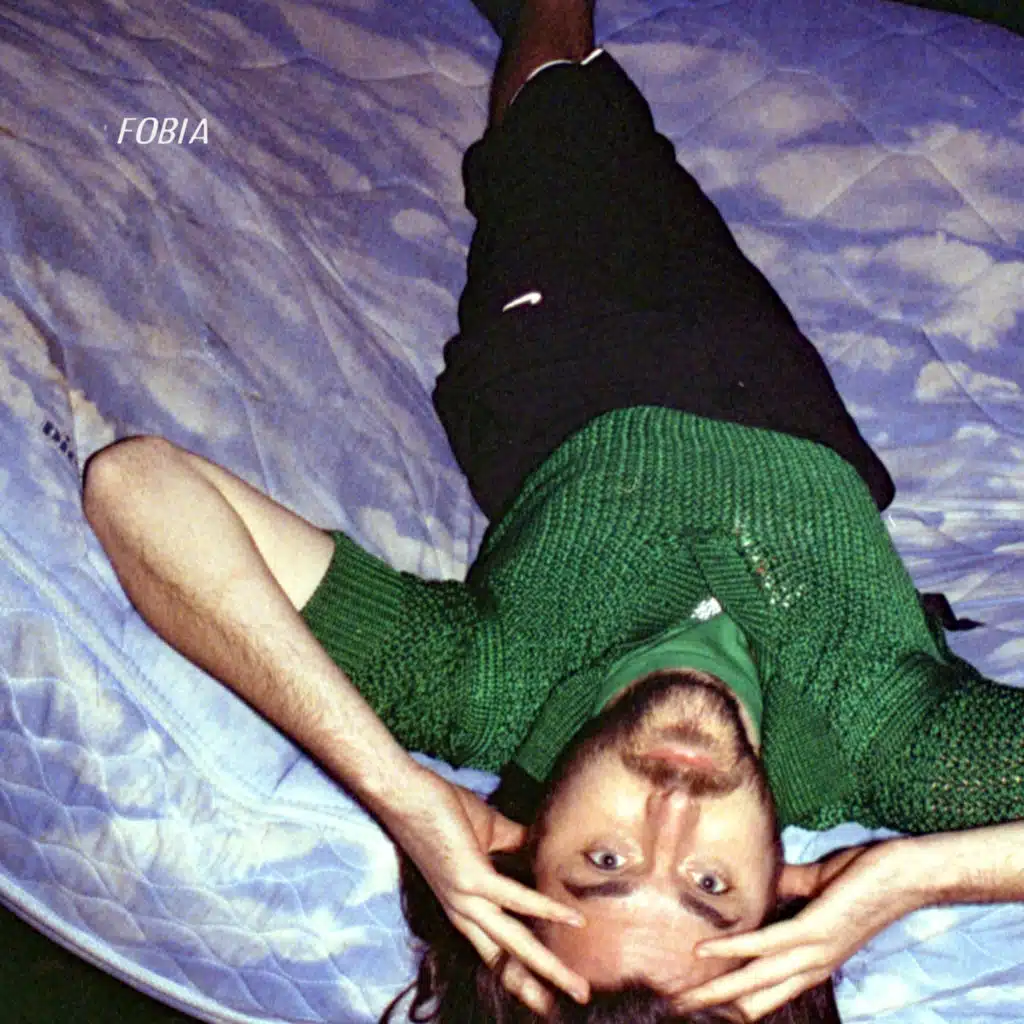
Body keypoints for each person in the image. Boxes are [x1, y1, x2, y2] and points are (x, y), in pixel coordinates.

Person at [82, 0, 1024, 1020]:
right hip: (781, 394)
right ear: (781, 892)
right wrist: (918, 874)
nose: (673, 808)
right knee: (654, 172)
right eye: (711, 884)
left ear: (529, 848)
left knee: (558, 109)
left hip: (563, 353)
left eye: (605, 861)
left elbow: (137, 489)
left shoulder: (487, 691)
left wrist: (396, 789)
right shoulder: (891, 746)